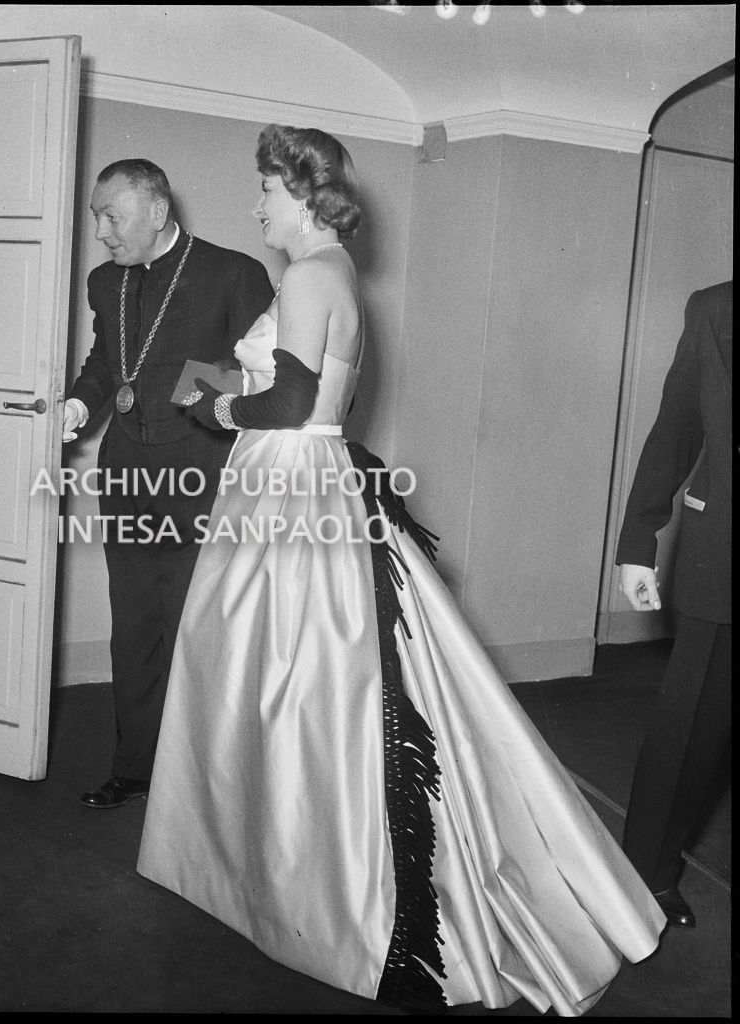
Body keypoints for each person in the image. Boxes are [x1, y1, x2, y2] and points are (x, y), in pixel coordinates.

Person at [136, 125, 665, 1015]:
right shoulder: (327, 270)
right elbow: (300, 381)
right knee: (272, 668)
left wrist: (214, 401)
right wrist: (225, 383)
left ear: (301, 192)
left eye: (265, 188)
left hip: (287, 476)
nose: (256, 204)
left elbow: (293, 401)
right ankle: (259, 864)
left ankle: (304, 879)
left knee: (279, 674)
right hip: (302, 474)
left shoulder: (308, 274)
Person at [65, 159, 274, 808]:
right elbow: (106, 361)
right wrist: (80, 402)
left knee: (198, 628)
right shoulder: (105, 283)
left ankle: (201, 783)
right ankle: (135, 765)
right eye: (97, 216)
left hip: (203, 477)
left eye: (112, 217)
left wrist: (190, 386)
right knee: (133, 627)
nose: (100, 231)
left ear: (156, 213)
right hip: (125, 475)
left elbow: (274, 377)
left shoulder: (233, 274)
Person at [615, 280, 732, 929]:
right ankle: (644, 880)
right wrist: (639, 540)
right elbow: (676, 431)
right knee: (692, 727)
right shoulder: (717, 310)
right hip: (725, 553)